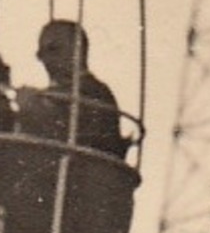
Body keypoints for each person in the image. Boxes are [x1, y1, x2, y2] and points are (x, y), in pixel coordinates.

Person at [16, 20, 127, 158]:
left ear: (78, 50)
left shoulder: (94, 93)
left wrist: (32, 106)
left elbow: (70, 136)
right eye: (41, 53)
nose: (46, 60)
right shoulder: (57, 94)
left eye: (53, 50)